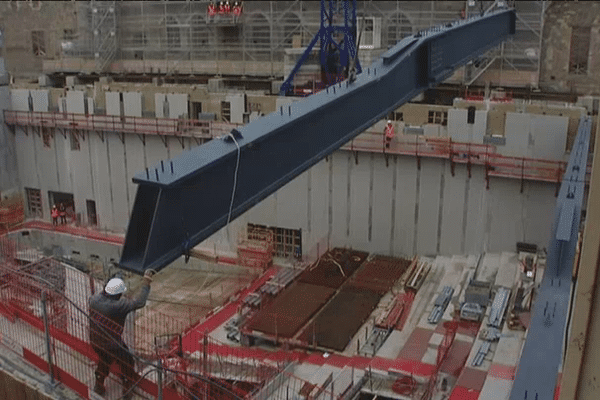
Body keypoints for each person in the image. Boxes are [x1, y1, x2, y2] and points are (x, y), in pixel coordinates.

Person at [89, 270, 154, 399]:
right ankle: (126, 387)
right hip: (112, 344)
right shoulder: (118, 306)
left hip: (95, 341)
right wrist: (146, 280)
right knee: (127, 362)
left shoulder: (94, 300)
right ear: (118, 294)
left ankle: (99, 384)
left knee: (104, 360)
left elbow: (110, 288)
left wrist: (119, 275)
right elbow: (140, 302)